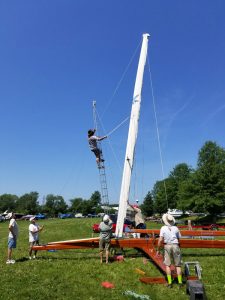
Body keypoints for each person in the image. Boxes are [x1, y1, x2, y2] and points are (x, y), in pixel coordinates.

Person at [157, 213, 183, 288]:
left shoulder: (163, 228)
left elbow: (160, 240)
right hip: (175, 245)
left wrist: (158, 249)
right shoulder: (176, 228)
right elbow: (178, 238)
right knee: (178, 265)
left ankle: (170, 282)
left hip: (167, 245)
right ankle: (180, 282)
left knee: (167, 265)